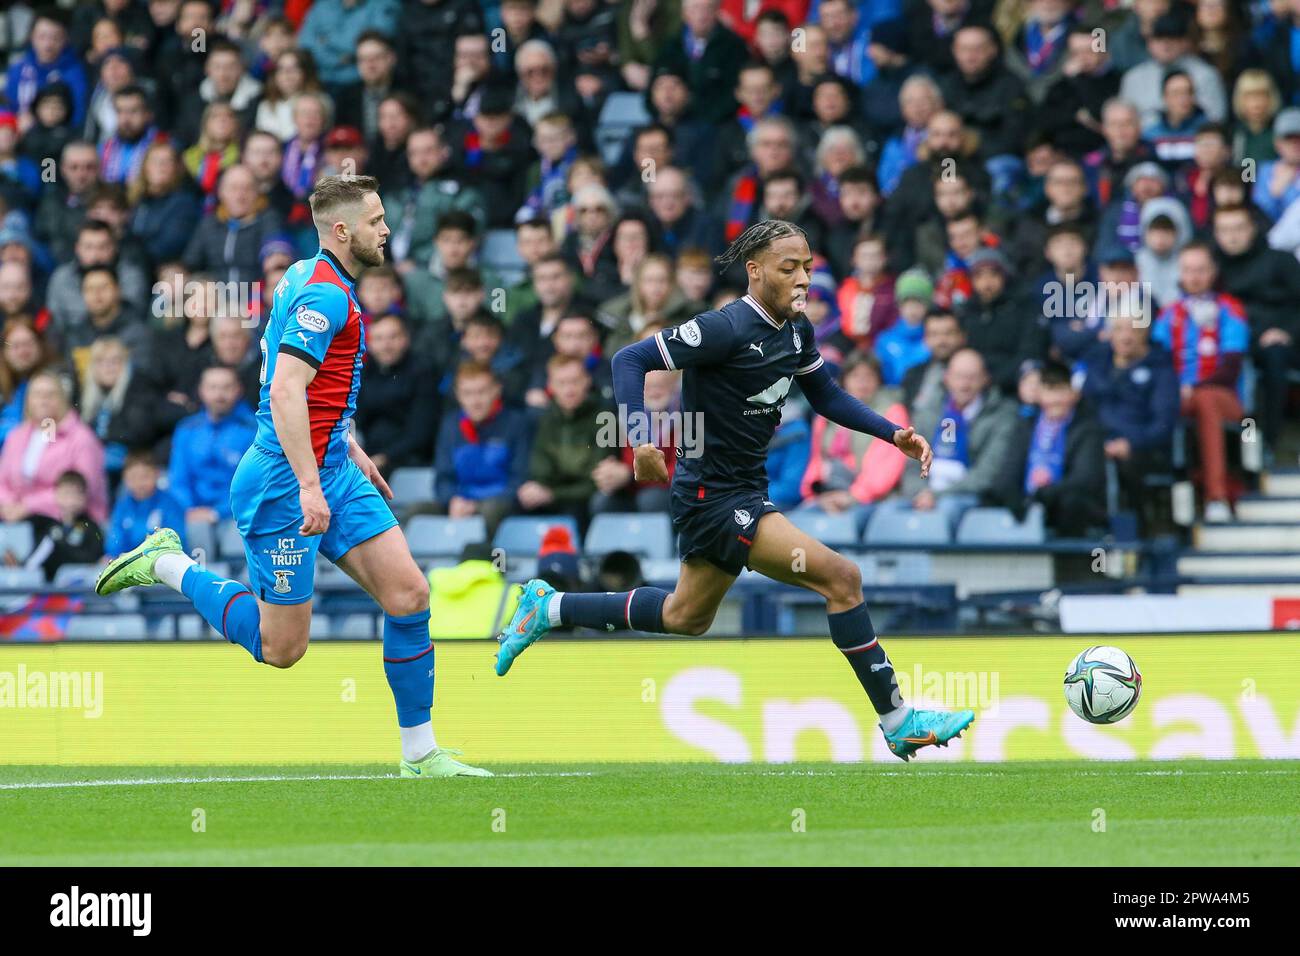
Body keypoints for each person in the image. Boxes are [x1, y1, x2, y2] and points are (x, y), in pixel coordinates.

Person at [493, 219, 976, 763]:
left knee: (685, 617)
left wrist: (892, 433)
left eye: (809, 268)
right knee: (842, 578)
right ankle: (898, 720)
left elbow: (826, 396)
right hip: (714, 497)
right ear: (756, 270)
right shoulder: (724, 328)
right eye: (788, 268)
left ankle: (551, 607)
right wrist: (641, 439)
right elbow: (629, 359)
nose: (802, 279)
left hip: (742, 490)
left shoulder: (797, 330)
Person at [94, 175, 490, 779]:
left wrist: (347, 449)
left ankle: (420, 753)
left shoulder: (307, 275)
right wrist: (309, 482)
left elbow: (310, 386)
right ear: (342, 230)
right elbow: (282, 390)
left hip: (328, 463)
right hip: (282, 479)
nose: (385, 229)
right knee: (283, 649)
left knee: (409, 594)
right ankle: (169, 564)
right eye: (376, 220)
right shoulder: (326, 296)